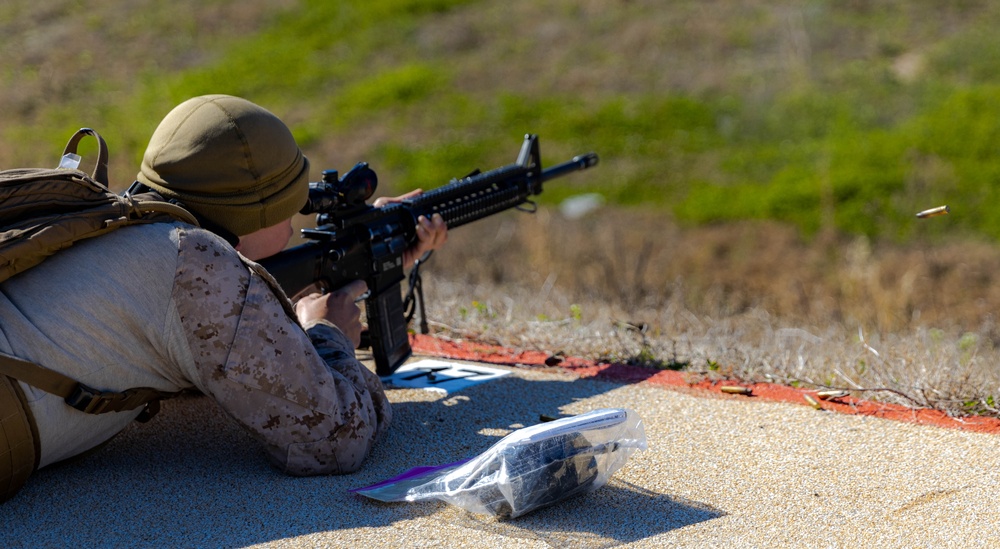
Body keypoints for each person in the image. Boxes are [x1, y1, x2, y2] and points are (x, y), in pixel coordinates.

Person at [0, 94, 448, 492]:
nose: (297, 218)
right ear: (253, 212)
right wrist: (327, 335)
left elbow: (211, 349)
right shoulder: (195, 263)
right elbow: (332, 440)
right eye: (289, 204)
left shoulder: (125, 222)